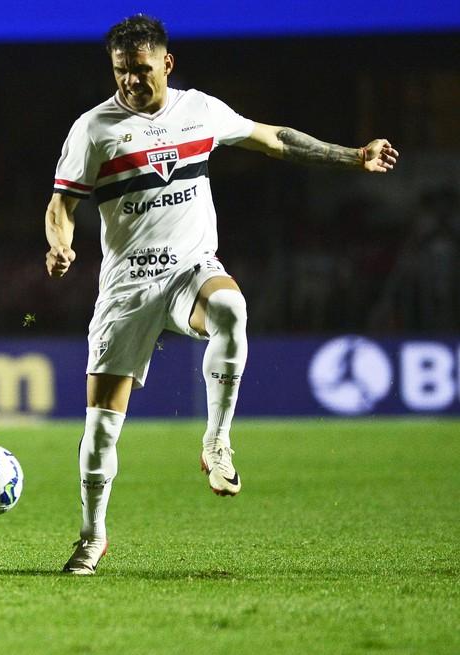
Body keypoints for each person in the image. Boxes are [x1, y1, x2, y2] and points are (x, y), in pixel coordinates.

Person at [44, 15, 398, 574]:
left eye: (141, 70)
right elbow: (62, 204)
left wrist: (352, 155)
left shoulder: (200, 111)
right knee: (100, 430)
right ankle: (92, 538)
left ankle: (216, 442)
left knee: (232, 306)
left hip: (191, 270)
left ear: (167, 63)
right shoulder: (93, 129)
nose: (131, 83)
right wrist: (59, 245)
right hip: (127, 287)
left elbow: (273, 139)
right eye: (120, 73)